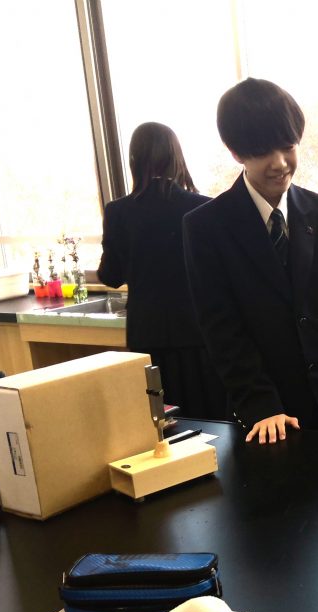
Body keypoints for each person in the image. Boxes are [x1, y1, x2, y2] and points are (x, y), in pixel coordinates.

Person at [183, 78, 318, 443]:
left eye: (288, 146)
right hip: (265, 417)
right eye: (261, 152)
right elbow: (221, 329)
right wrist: (262, 404)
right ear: (235, 152)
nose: (280, 163)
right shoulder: (206, 226)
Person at [97, 122, 224, 420]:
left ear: (134, 161)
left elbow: (111, 276)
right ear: (177, 157)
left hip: (147, 334)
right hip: (199, 333)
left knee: (159, 419)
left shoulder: (118, 211)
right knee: (209, 417)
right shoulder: (204, 207)